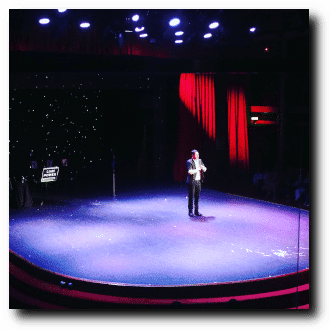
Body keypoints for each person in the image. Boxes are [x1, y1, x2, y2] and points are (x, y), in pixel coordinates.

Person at [186, 150, 207, 217]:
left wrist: (202, 168)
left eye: (198, 154)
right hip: (192, 181)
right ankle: (190, 211)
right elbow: (190, 171)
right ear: (192, 155)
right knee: (191, 197)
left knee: (197, 197)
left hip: (198, 181)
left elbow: (205, 169)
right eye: (196, 155)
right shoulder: (189, 161)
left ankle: (196, 211)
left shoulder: (200, 161)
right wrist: (197, 169)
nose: (198, 156)